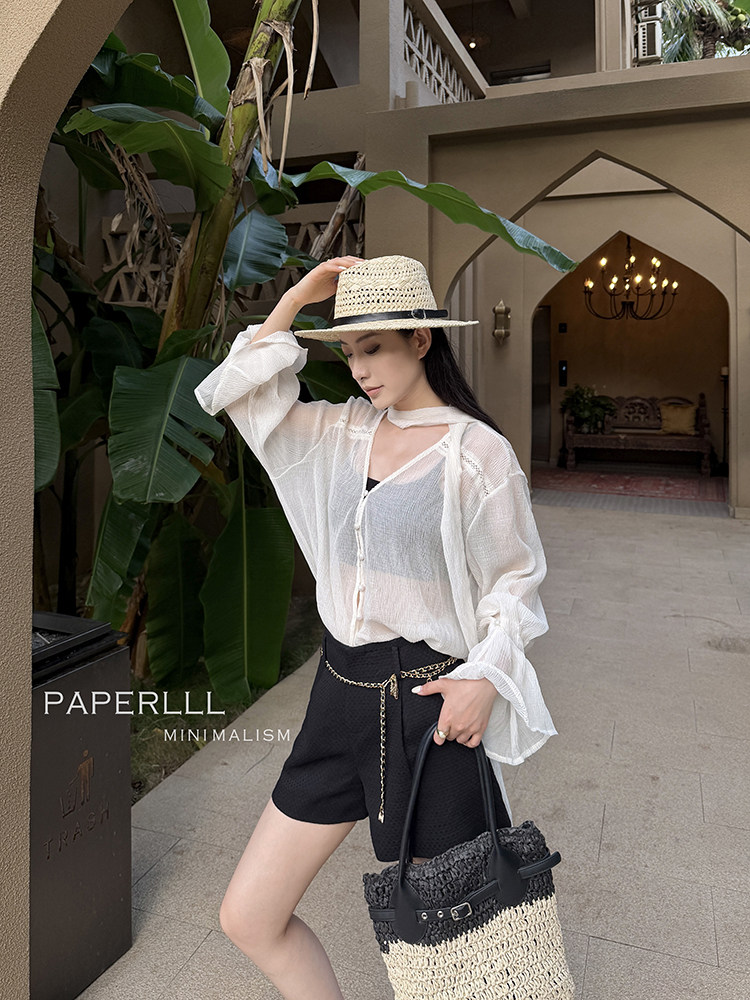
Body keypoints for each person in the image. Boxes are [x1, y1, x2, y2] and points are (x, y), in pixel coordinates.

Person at [193, 254, 558, 1000]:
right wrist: (299, 296)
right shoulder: (339, 434)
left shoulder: (476, 452)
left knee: (455, 956)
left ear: (421, 341)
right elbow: (236, 392)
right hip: (340, 696)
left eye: (375, 347)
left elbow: (515, 580)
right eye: (350, 352)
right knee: (249, 917)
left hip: (429, 708)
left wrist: (486, 677)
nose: (359, 369)